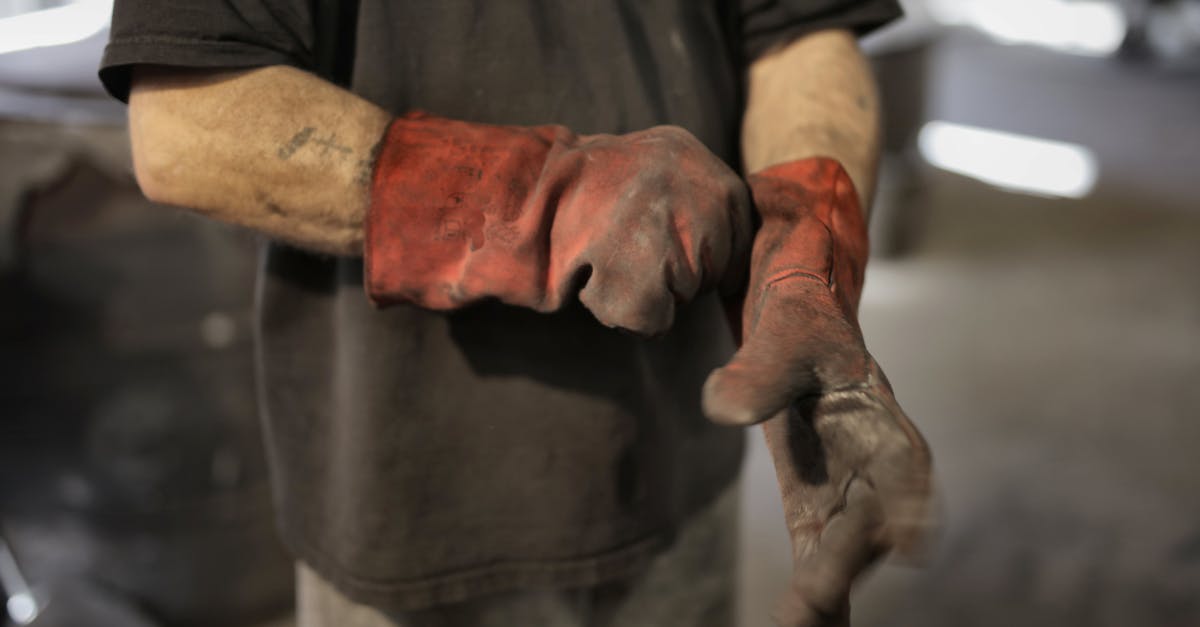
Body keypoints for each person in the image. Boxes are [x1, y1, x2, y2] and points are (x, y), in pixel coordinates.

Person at [98, 1, 933, 625]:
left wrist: (802, 275)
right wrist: (550, 197)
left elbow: (800, 36)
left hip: (678, 476)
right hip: (411, 510)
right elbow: (186, 117)